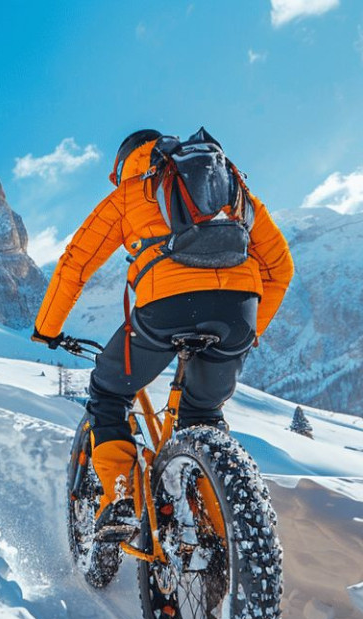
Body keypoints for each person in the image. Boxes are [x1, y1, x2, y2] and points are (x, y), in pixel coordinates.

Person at [31, 128, 294, 533]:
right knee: (203, 415)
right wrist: (248, 331)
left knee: (109, 392)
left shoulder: (131, 191)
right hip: (237, 313)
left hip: (166, 310)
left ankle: (119, 498)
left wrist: (46, 329)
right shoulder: (231, 190)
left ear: (124, 165)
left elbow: (74, 265)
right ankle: (222, 529)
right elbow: (280, 268)